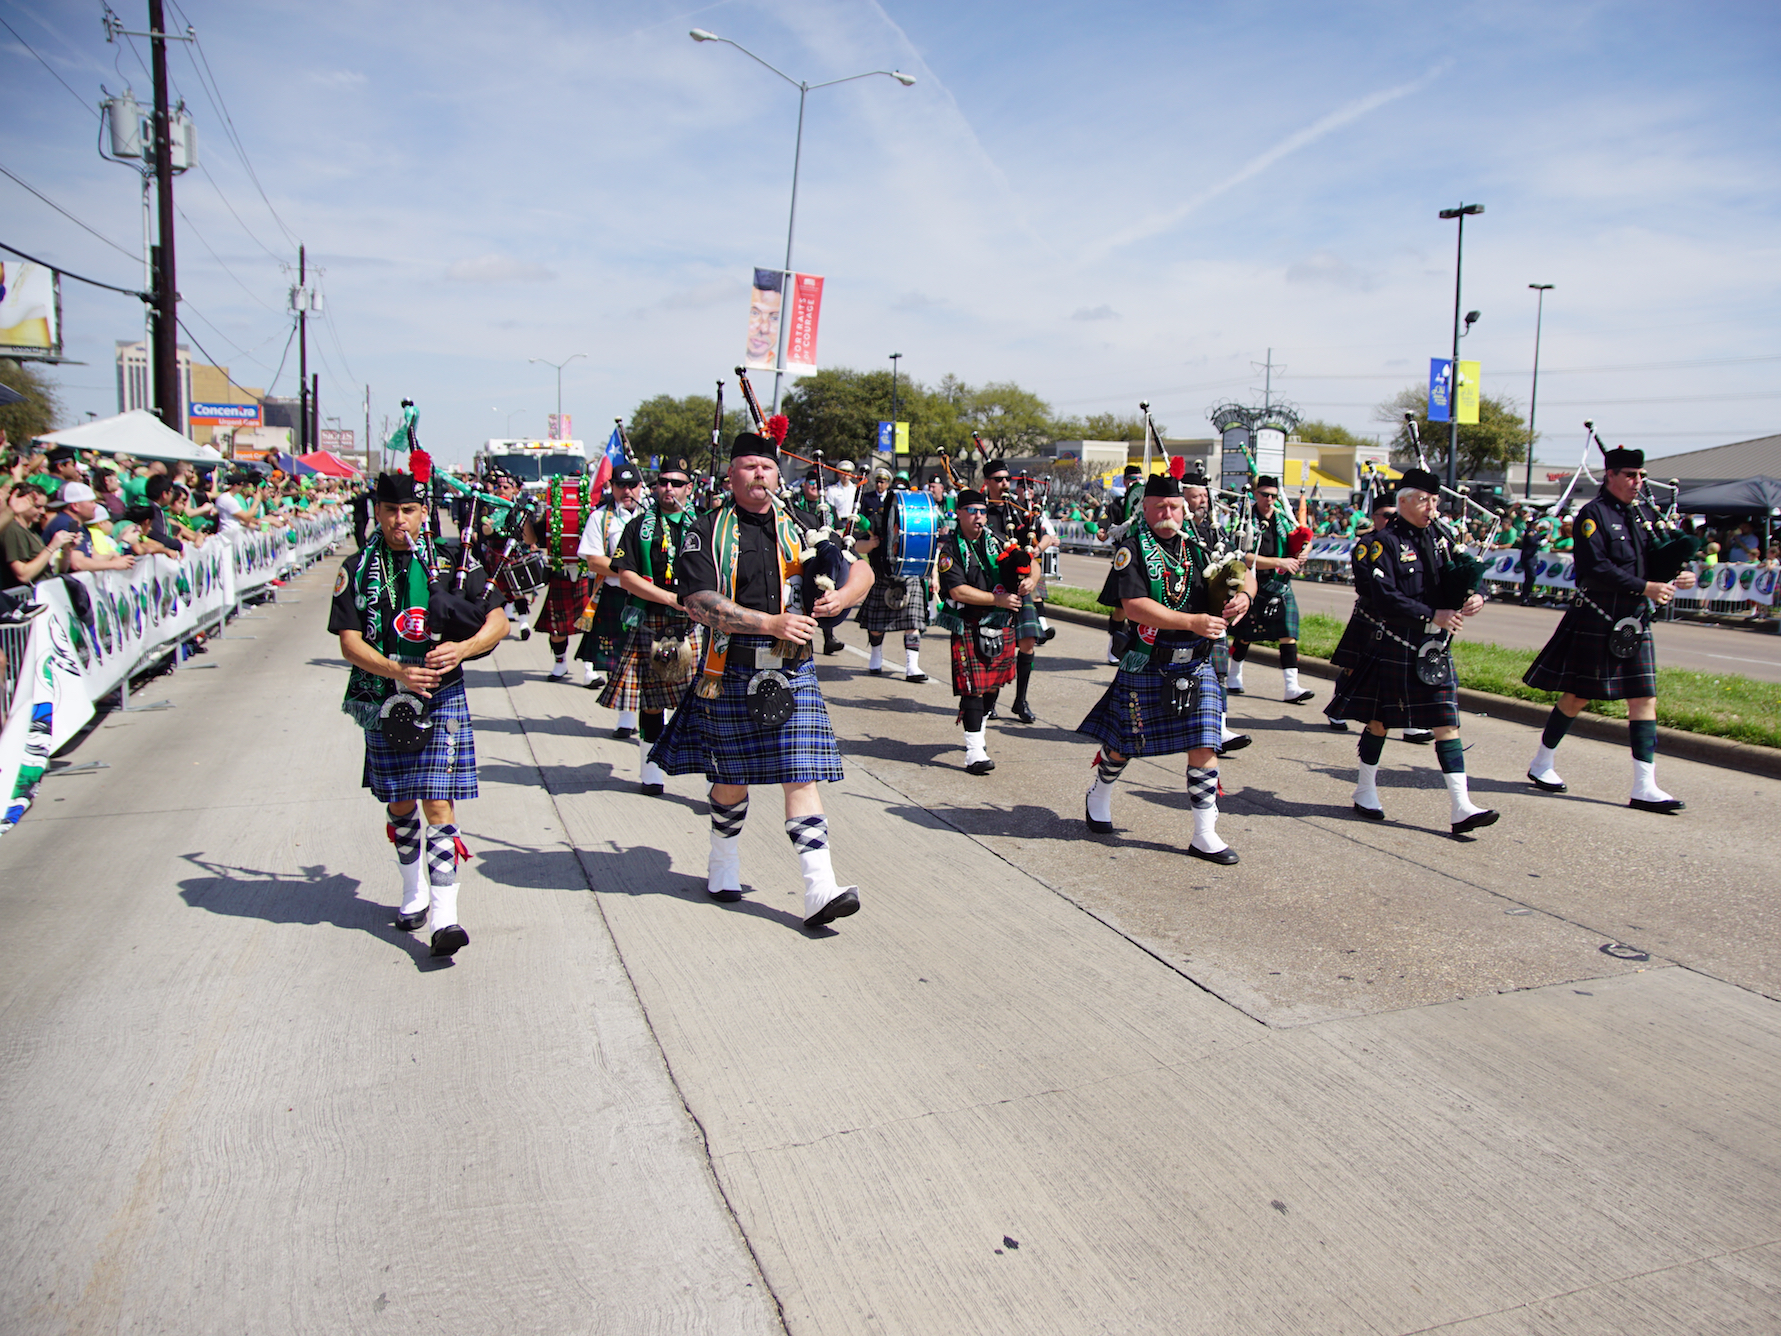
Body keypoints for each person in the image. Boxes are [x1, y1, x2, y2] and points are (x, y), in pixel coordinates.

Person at [650, 430, 875, 929]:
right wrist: (769, 622)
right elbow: (699, 603)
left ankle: (819, 887)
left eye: (766, 467)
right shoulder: (704, 530)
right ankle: (723, 862)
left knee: (801, 772)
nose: (758, 475)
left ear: (778, 475)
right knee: (731, 780)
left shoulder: (803, 526)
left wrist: (844, 597)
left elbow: (862, 569)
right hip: (728, 667)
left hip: (792, 666)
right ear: (730, 475)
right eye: (748, 466)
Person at [330, 470, 508, 959]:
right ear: (378, 514)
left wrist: (464, 648)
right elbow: (349, 642)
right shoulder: (357, 566)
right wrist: (398, 671)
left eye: (408, 510)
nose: (399, 520)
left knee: (437, 804)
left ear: (423, 512)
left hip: (443, 695)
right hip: (385, 696)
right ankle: (414, 892)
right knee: (400, 803)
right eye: (390, 511)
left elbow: (498, 620)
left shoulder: (452, 561)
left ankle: (446, 918)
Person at [1077, 474, 1255, 863]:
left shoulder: (1202, 544)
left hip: (1197, 661)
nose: (1167, 514)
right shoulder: (1132, 549)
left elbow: (1245, 571)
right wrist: (1191, 621)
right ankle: (1100, 792)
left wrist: (1242, 596)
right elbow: (1135, 606)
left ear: (1184, 508)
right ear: (1145, 507)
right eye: (1159, 506)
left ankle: (1205, 832)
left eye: (1174, 507)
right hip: (1148, 660)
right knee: (1123, 747)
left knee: (1206, 744)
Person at [1522, 447, 1698, 812]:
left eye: (1641, 475)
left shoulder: (1644, 514)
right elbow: (1594, 567)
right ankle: (1542, 762)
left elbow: (1655, 560)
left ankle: (1644, 786)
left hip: (1634, 617)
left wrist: (1675, 575)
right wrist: (1644, 586)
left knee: (1644, 697)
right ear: (1611, 476)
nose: (1638, 482)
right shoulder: (1592, 515)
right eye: (1631, 475)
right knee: (1578, 696)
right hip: (1600, 613)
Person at [1327, 469, 1498, 836]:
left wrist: (1476, 594)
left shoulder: (1442, 537)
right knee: (1380, 721)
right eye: (1423, 500)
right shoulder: (1381, 544)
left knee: (1446, 722)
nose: (1431, 508)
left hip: (1434, 647)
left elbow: (1465, 570)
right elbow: (1381, 594)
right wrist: (1430, 614)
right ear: (1402, 501)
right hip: (1396, 642)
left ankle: (1460, 805)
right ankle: (1365, 789)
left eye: (1434, 500)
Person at [600, 458, 702, 794]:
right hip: (656, 618)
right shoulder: (639, 526)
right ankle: (651, 769)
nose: (668, 489)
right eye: (663, 482)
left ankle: (704, 772)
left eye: (676, 483)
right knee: (654, 700)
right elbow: (626, 576)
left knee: (697, 700)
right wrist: (669, 599)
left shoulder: (704, 525)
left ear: (689, 488)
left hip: (695, 622)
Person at [935, 489, 1020, 774]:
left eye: (982, 512)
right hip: (968, 623)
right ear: (958, 514)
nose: (979, 517)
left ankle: (979, 734)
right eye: (972, 511)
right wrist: (997, 600)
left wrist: (1030, 579)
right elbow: (958, 590)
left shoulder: (996, 539)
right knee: (973, 687)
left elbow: (1027, 564)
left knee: (992, 686)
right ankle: (974, 751)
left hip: (999, 622)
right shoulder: (950, 550)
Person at [1227, 476, 1315, 705]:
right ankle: (1234, 675)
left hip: (1280, 584)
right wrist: (1279, 561)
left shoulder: (1284, 518)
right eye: (1265, 494)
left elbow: (1303, 536)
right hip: (1253, 583)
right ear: (1255, 494)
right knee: (1245, 635)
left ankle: (1291, 686)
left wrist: (1304, 550)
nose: (1270, 500)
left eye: (1274, 496)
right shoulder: (1245, 519)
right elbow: (1240, 556)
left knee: (1288, 634)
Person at [981, 460, 1048, 723]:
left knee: (1028, 644)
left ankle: (1020, 701)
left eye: (1007, 478)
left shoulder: (1022, 513)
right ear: (987, 482)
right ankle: (990, 700)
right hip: (993, 588)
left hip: (1021, 588)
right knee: (996, 646)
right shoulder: (981, 513)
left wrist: (1032, 579)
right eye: (998, 479)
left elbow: (1034, 556)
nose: (1005, 483)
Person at [852, 469, 932, 685]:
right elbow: (857, 544)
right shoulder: (878, 518)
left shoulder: (918, 521)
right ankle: (876, 656)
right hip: (883, 574)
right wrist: (871, 543)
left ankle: (911, 666)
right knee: (877, 625)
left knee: (913, 622)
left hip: (909, 574)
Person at [574, 463, 643, 694]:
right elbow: (594, 561)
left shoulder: (654, 515)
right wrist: (634, 574)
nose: (627, 491)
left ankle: (656, 720)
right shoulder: (600, 518)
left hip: (650, 597)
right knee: (619, 664)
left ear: (640, 486)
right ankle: (624, 718)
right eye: (621, 485)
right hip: (617, 596)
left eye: (632, 485)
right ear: (612, 487)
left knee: (653, 659)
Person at [789, 467, 847, 655]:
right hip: (801, 551)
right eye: (812, 483)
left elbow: (838, 528)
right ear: (805, 485)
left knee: (827, 583)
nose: (815, 487)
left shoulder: (827, 507)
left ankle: (828, 636)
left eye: (819, 484)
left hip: (825, 551)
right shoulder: (794, 504)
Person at [1098, 464, 1146, 663]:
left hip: (1147, 558)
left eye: (1138, 479)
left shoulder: (1147, 502)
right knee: (1121, 607)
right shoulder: (1116, 505)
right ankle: (1114, 645)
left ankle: (1137, 648)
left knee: (1144, 608)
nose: (1135, 483)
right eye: (1131, 479)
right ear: (1125, 482)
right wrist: (1104, 532)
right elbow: (1102, 531)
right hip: (1124, 559)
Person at [42, 483, 135, 575]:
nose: (95, 506)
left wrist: (111, 556)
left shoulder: (78, 524)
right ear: (76, 506)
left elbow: (91, 557)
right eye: (91, 502)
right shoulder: (67, 524)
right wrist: (113, 564)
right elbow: (78, 563)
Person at [3, 483, 76, 589]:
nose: (43, 512)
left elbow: (60, 569)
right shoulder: (12, 530)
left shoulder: (30, 531)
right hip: (29, 598)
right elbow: (23, 575)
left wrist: (66, 550)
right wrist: (51, 547)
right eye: (37, 507)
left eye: (44, 507)